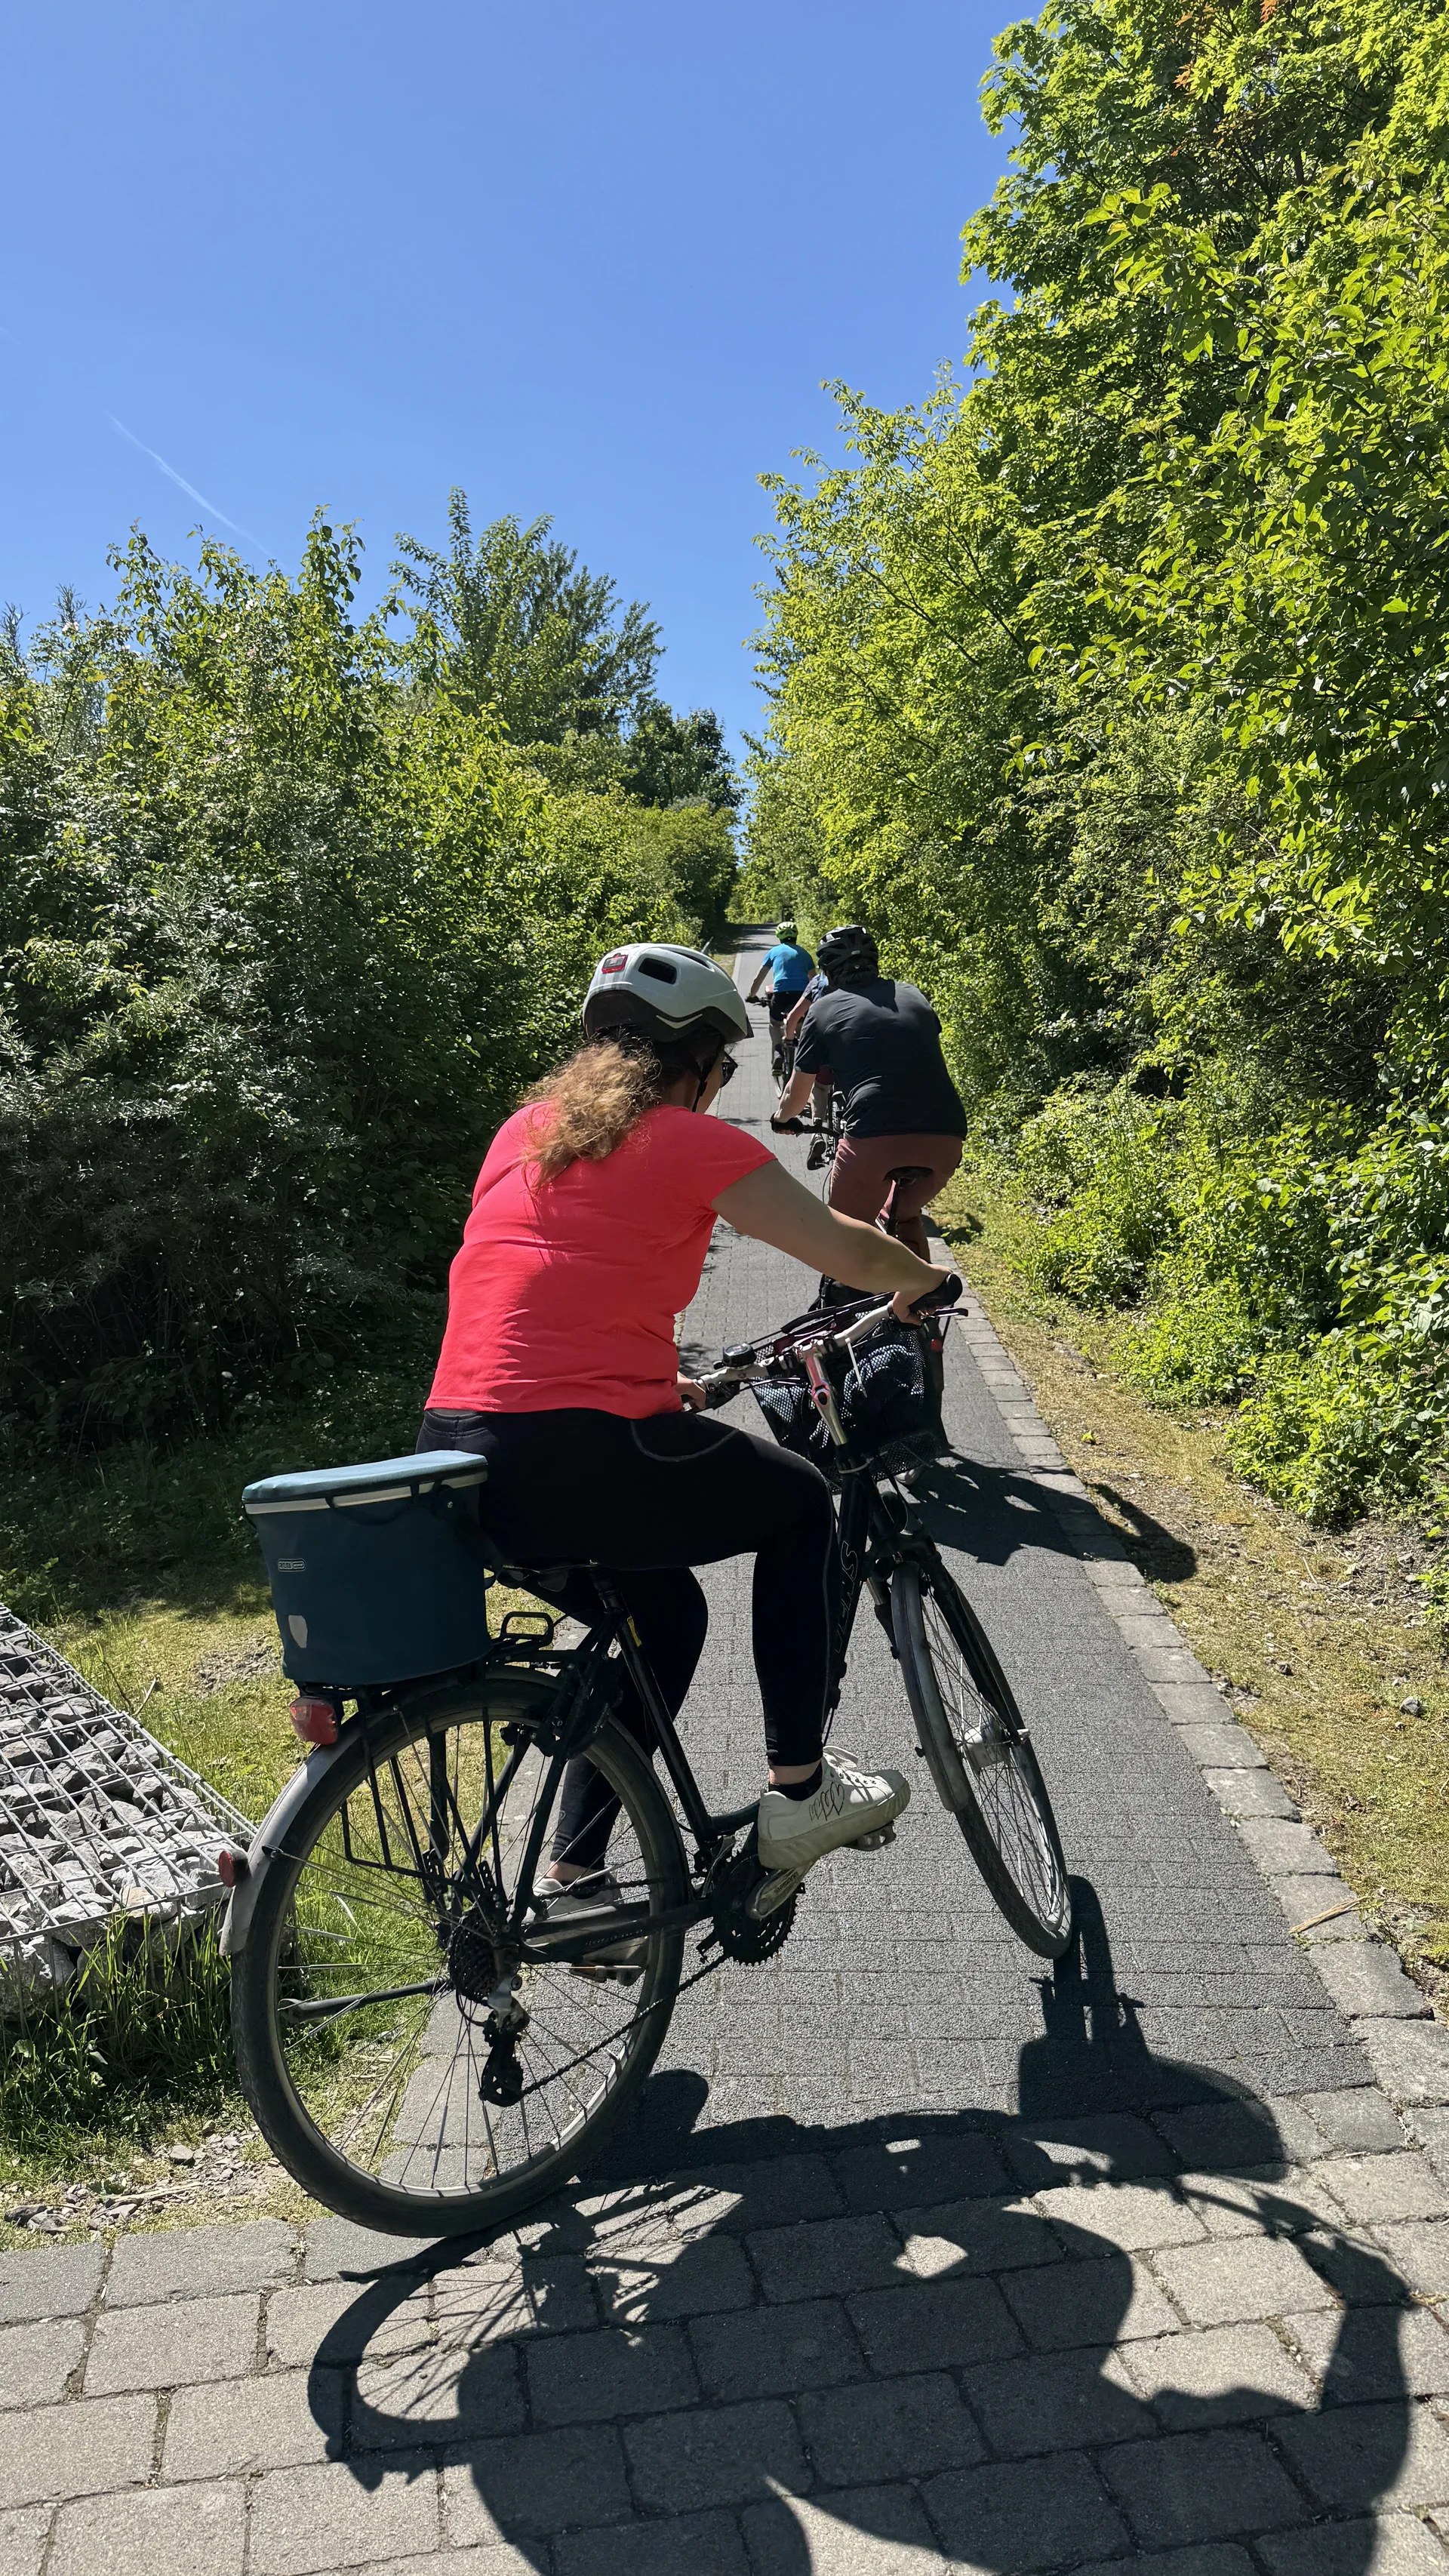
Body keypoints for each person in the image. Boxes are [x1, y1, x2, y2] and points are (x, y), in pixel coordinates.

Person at [417, 941, 951, 1939]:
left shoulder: (524, 1135)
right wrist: (922, 1279)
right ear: (698, 1060)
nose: (722, 1083)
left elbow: (546, 1295)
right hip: (580, 1451)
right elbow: (839, 1247)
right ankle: (800, 1792)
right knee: (799, 1502)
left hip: (462, 1454)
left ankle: (574, 1872)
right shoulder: (687, 1140)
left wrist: (664, 1386)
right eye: (725, 1067)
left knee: (664, 1615)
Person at [773, 924, 967, 1263]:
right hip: (946, 1137)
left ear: (828, 972)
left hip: (875, 1135)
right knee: (903, 1214)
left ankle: (844, 1292)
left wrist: (781, 1119)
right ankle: (925, 1290)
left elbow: (797, 1094)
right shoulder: (913, 994)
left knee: (844, 1231)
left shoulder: (824, 1008)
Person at [747, 920, 815, 1081]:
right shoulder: (804, 953)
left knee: (775, 1024)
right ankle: (802, 1055)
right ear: (796, 936)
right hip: (801, 996)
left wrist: (752, 995)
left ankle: (778, 1050)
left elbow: (759, 977)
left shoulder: (774, 952)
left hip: (780, 996)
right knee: (800, 1024)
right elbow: (813, 979)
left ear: (779, 937)